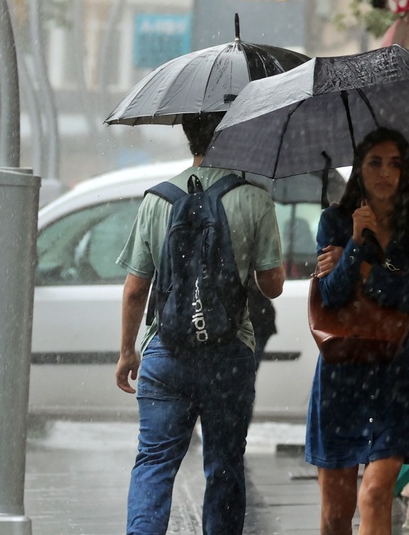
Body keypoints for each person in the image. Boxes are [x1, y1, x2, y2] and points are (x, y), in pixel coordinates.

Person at [114, 112, 285, 535]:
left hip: (165, 353)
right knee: (225, 464)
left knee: (154, 462)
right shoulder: (254, 199)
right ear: (235, 136)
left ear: (190, 135)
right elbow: (273, 286)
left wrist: (126, 351)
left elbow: (136, 288)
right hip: (229, 354)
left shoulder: (158, 198)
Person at [310, 128, 409, 535]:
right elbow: (330, 296)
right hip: (341, 376)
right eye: (375, 162)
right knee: (335, 513)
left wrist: (367, 269)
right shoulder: (334, 220)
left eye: (395, 163)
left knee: (376, 493)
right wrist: (353, 243)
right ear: (359, 171)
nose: (386, 172)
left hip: (393, 374)